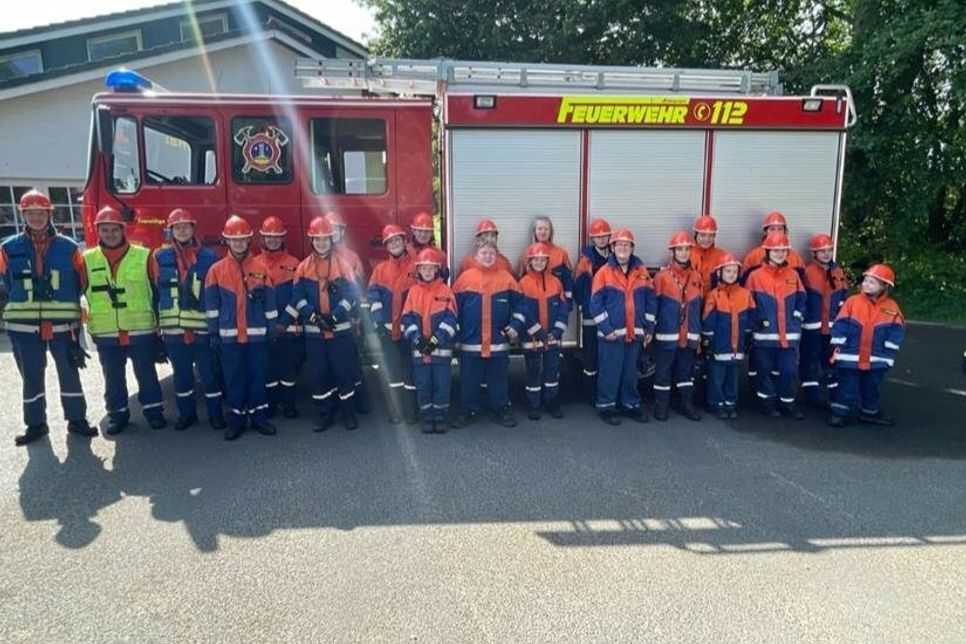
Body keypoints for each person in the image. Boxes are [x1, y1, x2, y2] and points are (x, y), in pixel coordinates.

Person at [0, 189, 96, 445]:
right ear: (24, 216)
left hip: (63, 326)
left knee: (69, 373)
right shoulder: (8, 248)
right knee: (31, 376)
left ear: (49, 213)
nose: (36, 218)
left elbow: (82, 281)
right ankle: (35, 424)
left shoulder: (70, 247)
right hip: (23, 327)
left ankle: (77, 420)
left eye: (40, 213)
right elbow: (5, 283)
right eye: (30, 213)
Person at [84, 206, 167, 433]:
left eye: (114, 229)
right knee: (112, 378)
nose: (110, 234)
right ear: (98, 231)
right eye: (105, 230)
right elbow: (78, 294)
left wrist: (160, 326)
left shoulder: (144, 256)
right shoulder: (87, 260)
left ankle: (153, 412)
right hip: (106, 331)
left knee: (146, 373)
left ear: (123, 230)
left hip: (140, 329)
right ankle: (118, 415)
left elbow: (157, 292)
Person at [204, 215, 278, 440]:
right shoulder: (216, 270)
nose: (238, 243)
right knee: (234, 380)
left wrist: (272, 329)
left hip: (256, 338)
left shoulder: (261, 268)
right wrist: (214, 334)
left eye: (242, 239)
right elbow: (211, 307)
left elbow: (270, 304)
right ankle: (236, 421)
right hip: (229, 339)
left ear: (249, 240)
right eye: (234, 240)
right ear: (227, 241)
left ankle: (259, 418)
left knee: (257, 378)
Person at [151, 208, 224, 431]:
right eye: (177, 227)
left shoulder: (210, 258)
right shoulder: (159, 257)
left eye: (186, 226)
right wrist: (157, 329)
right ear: (171, 231)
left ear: (193, 229)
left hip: (202, 331)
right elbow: (154, 292)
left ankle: (216, 415)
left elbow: (216, 294)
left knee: (209, 376)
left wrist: (215, 330)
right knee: (181, 378)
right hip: (174, 332)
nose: (182, 231)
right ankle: (187, 414)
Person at [288, 216, 360, 432]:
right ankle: (324, 414)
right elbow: (297, 298)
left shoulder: (343, 265)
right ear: (312, 241)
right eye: (317, 240)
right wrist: (313, 317)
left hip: (340, 333)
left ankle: (349, 414)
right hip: (315, 335)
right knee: (319, 374)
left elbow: (352, 295)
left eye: (324, 239)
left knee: (343, 372)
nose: (321, 243)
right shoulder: (302, 268)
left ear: (331, 239)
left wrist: (336, 316)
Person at [453, 241, 524, 427]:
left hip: (498, 342)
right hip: (471, 342)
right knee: (469, 380)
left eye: (491, 253)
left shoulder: (507, 279)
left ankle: (501, 409)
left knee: (499, 380)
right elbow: (453, 311)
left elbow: (520, 307)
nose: (487, 256)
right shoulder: (464, 279)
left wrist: (515, 325)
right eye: (483, 253)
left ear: (496, 256)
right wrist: (457, 337)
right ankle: (467, 411)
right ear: (476, 256)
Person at [589, 228, 656, 425]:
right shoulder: (603, 273)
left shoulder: (642, 272)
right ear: (613, 247)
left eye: (627, 245)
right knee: (610, 372)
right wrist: (606, 328)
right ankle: (606, 406)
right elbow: (595, 303)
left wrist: (649, 328)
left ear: (632, 248)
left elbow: (651, 301)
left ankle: (630, 405)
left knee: (630, 372)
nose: (623, 248)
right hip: (612, 335)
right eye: (619, 244)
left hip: (634, 333)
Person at [828, 264, 905, 427]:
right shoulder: (852, 302)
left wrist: (891, 346)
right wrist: (838, 340)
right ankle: (838, 414)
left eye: (872, 282)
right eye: (866, 281)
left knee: (872, 388)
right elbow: (840, 323)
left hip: (877, 357)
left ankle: (869, 413)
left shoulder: (891, 307)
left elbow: (897, 329)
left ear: (884, 286)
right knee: (847, 387)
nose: (866, 284)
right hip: (851, 355)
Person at [745, 231, 807, 419]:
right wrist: (754, 324)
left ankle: (787, 403)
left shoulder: (793, 275)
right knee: (763, 369)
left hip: (788, 336)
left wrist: (796, 319)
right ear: (767, 252)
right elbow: (748, 303)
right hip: (764, 335)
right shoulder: (755, 276)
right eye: (775, 250)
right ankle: (767, 402)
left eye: (783, 250)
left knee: (788, 370)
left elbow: (802, 300)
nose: (779, 254)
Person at [401, 248, 458, 433]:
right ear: (418, 270)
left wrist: (435, 339)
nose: (427, 271)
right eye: (423, 268)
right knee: (423, 385)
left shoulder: (446, 291)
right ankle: (427, 417)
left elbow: (451, 319)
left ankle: (440, 417)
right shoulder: (413, 292)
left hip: (441, 353)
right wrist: (417, 338)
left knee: (442, 384)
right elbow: (406, 318)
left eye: (431, 268)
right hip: (419, 352)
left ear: (437, 270)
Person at [651, 231, 704, 421]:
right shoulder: (661, 278)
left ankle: (685, 404)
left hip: (689, 335)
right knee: (663, 372)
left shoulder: (696, 277)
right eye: (679, 249)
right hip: (667, 335)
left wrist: (698, 335)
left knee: (685, 372)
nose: (683, 253)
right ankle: (661, 406)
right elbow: (653, 309)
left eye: (687, 249)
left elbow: (698, 308)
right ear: (673, 251)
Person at [367, 224, 418, 424]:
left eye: (397, 240)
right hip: (387, 331)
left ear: (404, 242)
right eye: (390, 241)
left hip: (409, 332)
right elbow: (372, 297)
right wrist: (379, 322)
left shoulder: (416, 267)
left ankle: (411, 409)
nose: (394, 244)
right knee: (393, 371)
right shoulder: (380, 270)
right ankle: (396, 411)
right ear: (386, 246)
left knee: (410, 370)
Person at [325, 210, 371, 414]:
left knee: (353, 363)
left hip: (349, 320)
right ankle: (336, 403)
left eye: (335, 229)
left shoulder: (352, 257)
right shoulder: (318, 258)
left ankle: (360, 402)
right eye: (329, 230)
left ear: (342, 231)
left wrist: (357, 319)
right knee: (330, 365)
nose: (333, 233)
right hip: (328, 322)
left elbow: (359, 291)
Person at [517, 242, 569, 420]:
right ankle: (534, 405)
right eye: (536, 260)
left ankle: (551, 402)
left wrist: (557, 331)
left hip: (552, 337)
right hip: (532, 338)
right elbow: (522, 311)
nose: (539, 263)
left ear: (548, 262)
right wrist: (537, 330)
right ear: (529, 262)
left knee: (552, 372)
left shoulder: (556, 282)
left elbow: (563, 308)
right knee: (533, 372)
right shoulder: (523, 283)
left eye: (543, 260)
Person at [701, 253, 756, 419]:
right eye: (728, 271)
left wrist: (747, 338)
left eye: (734, 271)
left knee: (733, 376)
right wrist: (708, 343)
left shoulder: (745, 294)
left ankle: (730, 403)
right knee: (716, 377)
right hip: (719, 345)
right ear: (719, 273)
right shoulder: (713, 295)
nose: (731, 274)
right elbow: (708, 322)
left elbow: (751, 317)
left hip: (736, 346)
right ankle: (716, 404)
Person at [258, 216, 302, 419]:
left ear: (283, 238)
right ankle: (271, 405)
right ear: (263, 238)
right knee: (268, 370)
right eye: (269, 237)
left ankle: (290, 404)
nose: (273, 241)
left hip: (288, 328)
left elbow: (298, 297)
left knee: (288, 370)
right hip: (264, 329)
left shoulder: (295, 265)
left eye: (277, 237)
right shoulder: (254, 264)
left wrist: (284, 323)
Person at [800, 233, 849, 409]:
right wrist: (804, 316)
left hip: (833, 328)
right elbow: (802, 299)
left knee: (831, 360)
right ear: (814, 254)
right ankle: (811, 395)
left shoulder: (838, 272)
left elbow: (844, 296)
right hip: (812, 328)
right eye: (822, 251)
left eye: (829, 250)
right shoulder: (807, 272)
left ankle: (835, 394)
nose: (826, 254)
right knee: (810, 360)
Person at [573, 218, 612, 383]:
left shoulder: (615, 257)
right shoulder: (586, 260)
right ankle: (590, 390)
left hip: (610, 313)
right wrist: (585, 304)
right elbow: (578, 285)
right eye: (598, 236)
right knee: (591, 353)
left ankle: (605, 388)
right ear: (592, 239)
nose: (601, 239)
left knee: (608, 353)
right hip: (591, 315)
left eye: (604, 236)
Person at [517, 216, 574, 303]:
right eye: (540, 229)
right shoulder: (526, 254)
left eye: (546, 229)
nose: (543, 232)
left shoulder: (561, 254)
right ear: (534, 231)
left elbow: (568, 283)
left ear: (551, 232)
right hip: (533, 305)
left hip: (555, 305)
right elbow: (521, 282)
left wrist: (567, 306)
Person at [740, 211, 805, 281]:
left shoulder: (795, 258)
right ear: (765, 232)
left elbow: (802, 283)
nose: (776, 232)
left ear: (785, 232)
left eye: (780, 229)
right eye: (772, 229)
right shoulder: (753, 257)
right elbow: (744, 283)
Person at [690, 215, 731, 294]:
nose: (706, 239)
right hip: (692, 301)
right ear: (696, 235)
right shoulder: (686, 255)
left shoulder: (722, 256)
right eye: (703, 235)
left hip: (714, 300)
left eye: (711, 236)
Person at [406, 211, 449, 282]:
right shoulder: (405, 253)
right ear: (413, 231)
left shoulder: (440, 255)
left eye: (427, 231)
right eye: (420, 231)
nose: (423, 235)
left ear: (432, 232)